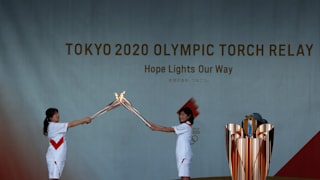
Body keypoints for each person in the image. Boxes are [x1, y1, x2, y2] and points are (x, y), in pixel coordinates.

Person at [43, 108, 92, 180]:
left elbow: (68, 126)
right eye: (55, 114)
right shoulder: (54, 126)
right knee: (54, 178)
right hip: (56, 157)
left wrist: (83, 122)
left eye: (57, 113)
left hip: (54, 156)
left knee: (54, 178)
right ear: (50, 117)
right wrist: (84, 120)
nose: (58, 115)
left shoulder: (54, 126)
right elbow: (71, 124)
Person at [148, 107, 196, 180]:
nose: (181, 116)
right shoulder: (184, 126)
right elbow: (168, 128)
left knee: (185, 176)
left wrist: (156, 128)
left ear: (189, 116)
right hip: (182, 154)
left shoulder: (185, 126)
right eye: (180, 115)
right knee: (183, 176)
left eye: (183, 114)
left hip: (184, 155)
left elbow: (169, 129)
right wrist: (154, 125)